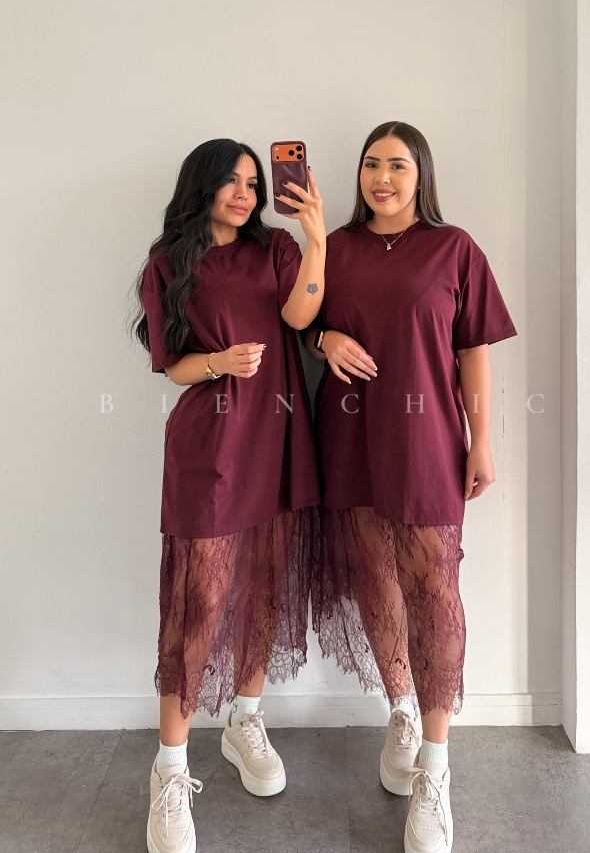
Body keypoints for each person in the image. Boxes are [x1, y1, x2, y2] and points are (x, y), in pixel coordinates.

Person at [305, 121, 517, 853]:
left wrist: (481, 439)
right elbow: (298, 316)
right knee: (373, 576)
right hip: (350, 432)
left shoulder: (454, 248)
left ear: (420, 174)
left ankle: (435, 764)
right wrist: (322, 339)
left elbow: (473, 352)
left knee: (433, 587)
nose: (382, 177)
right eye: (371, 164)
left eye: (397, 165)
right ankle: (399, 709)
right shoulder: (335, 246)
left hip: (428, 437)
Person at [131, 138, 325, 853]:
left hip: (277, 433)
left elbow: (300, 317)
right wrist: (217, 360)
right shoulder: (169, 263)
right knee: (198, 601)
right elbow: (171, 365)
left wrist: (315, 237)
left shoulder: (276, 250)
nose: (244, 194)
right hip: (209, 441)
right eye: (231, 182)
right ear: (202, 186)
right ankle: (169, 769)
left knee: (265, 585)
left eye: (252, 182)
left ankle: (245, 718)